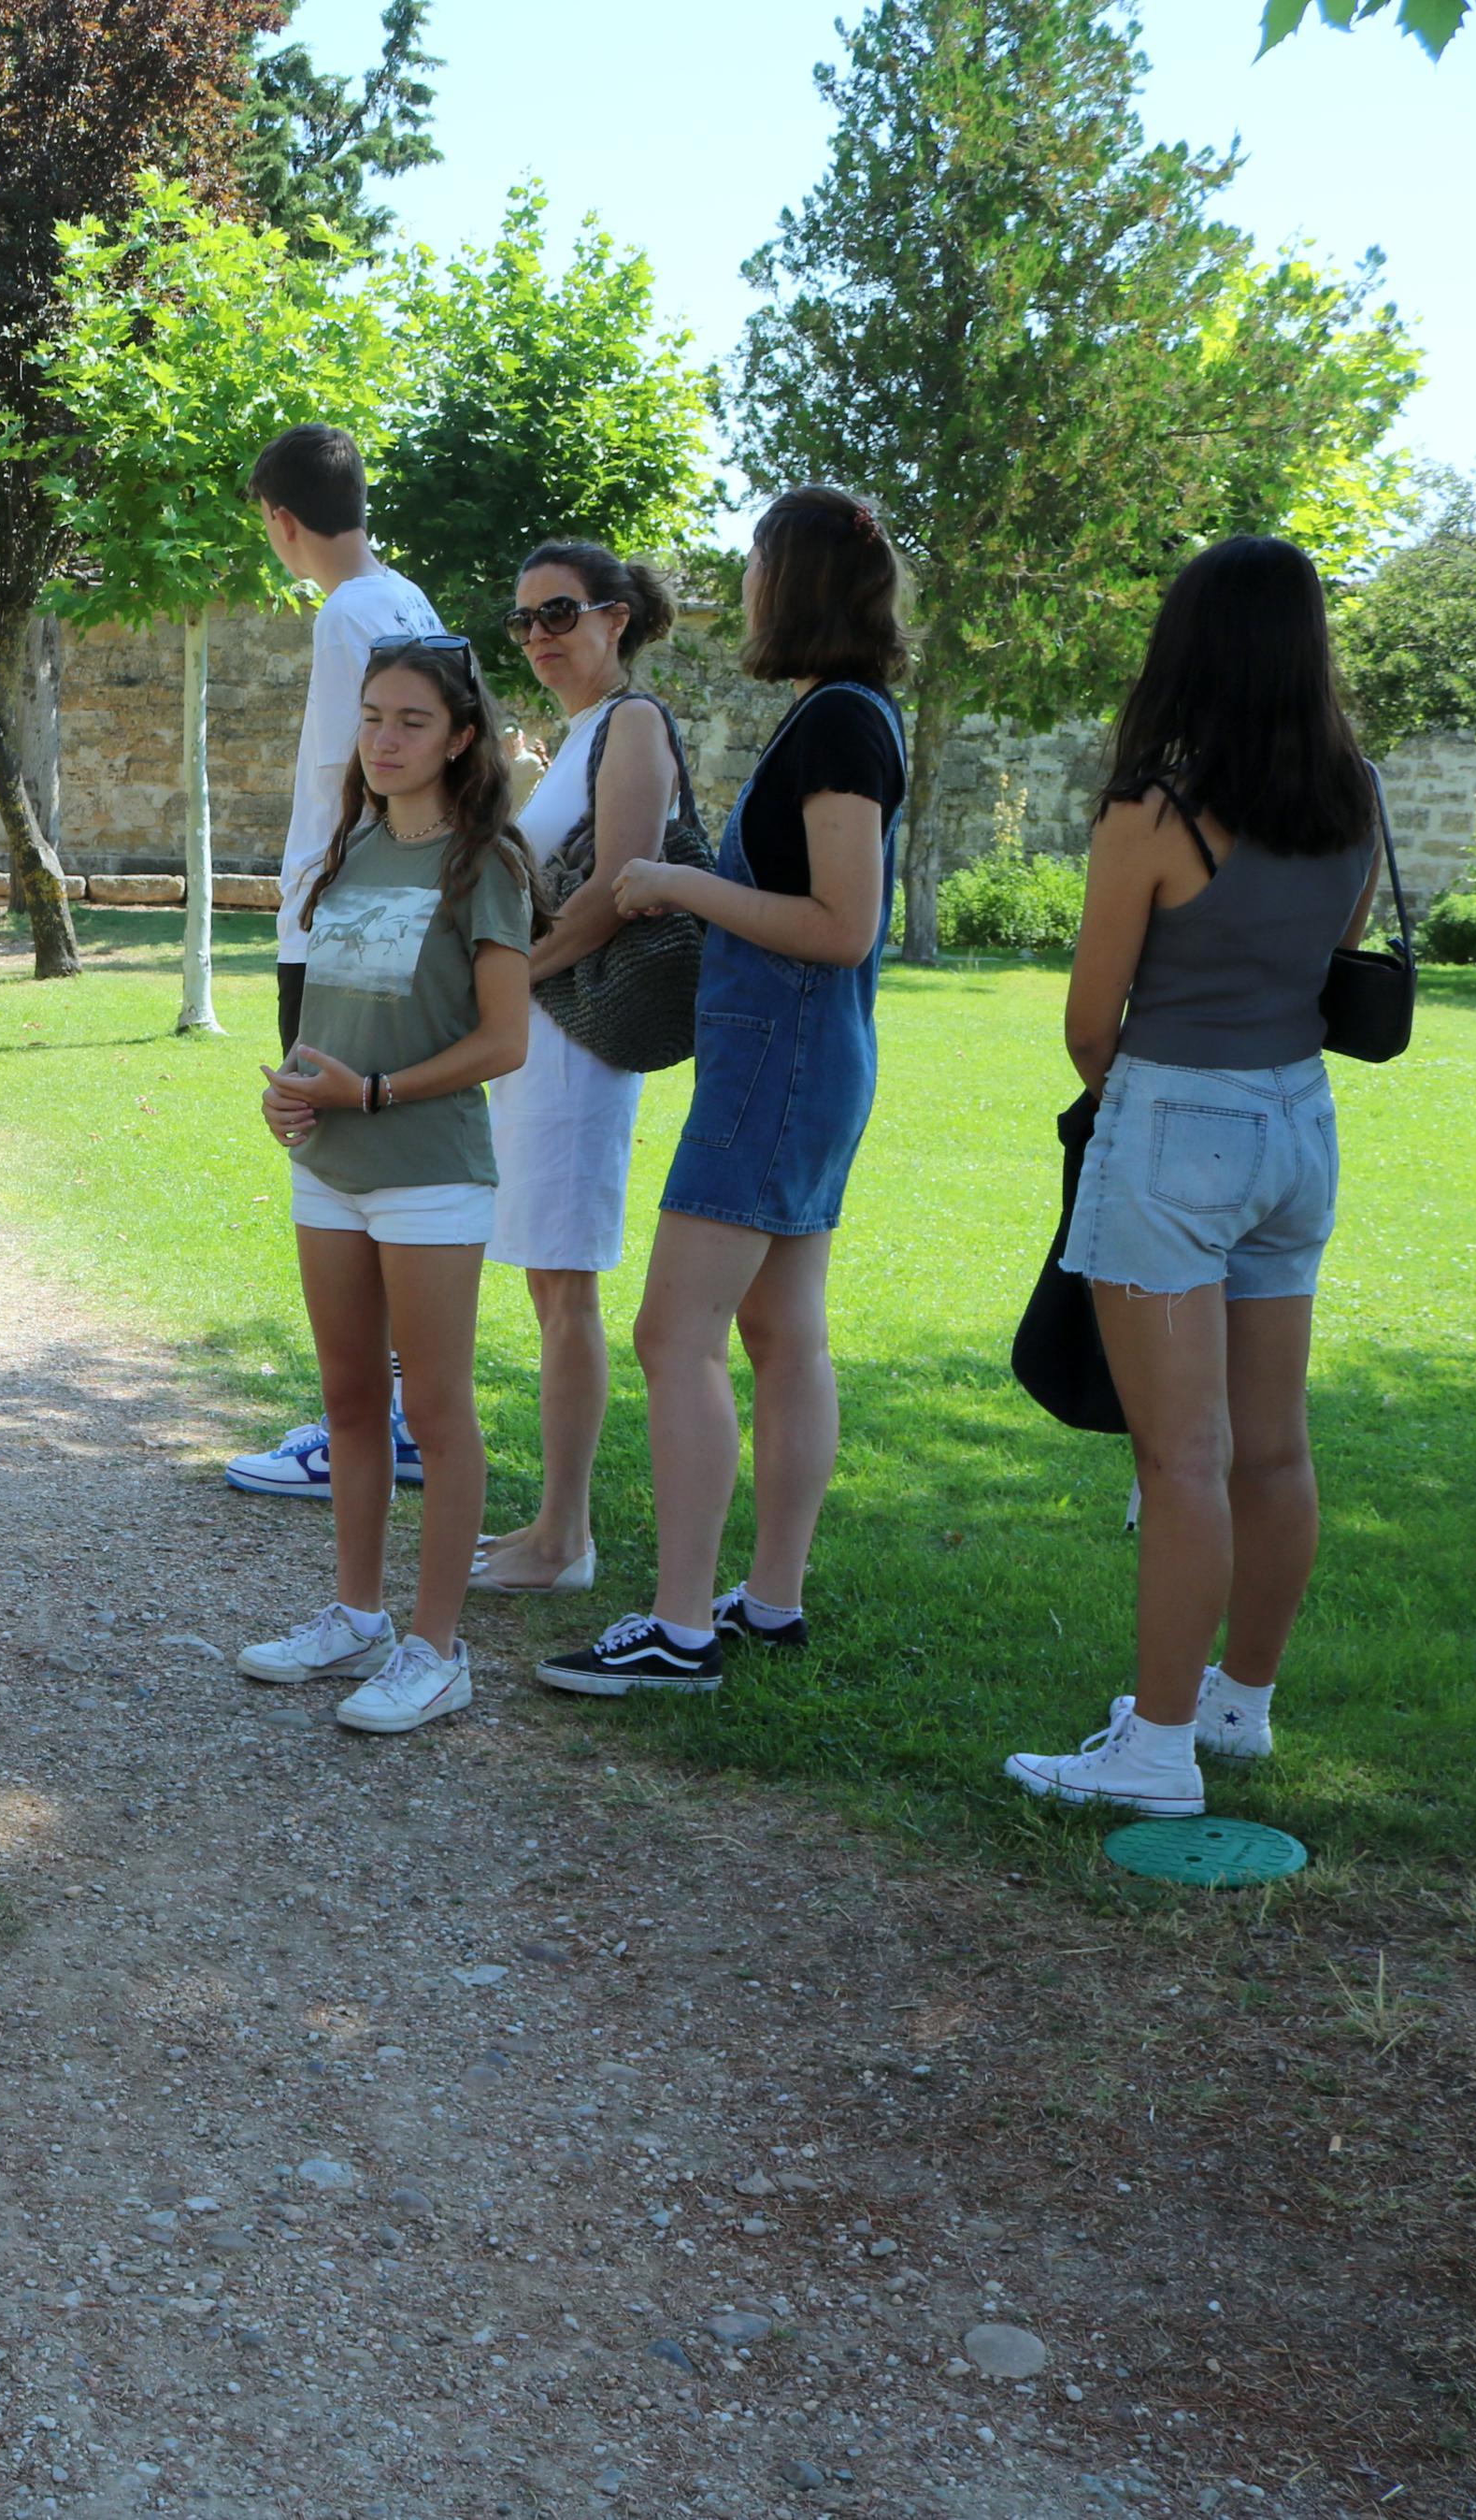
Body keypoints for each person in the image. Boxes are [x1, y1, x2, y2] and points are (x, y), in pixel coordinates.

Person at [1004, 539, 1374, 1816]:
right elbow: (1332, 955)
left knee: (1181, 1456)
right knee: (1268, 1447)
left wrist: (1124, 1100)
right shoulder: (1352, 796)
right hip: (1295, 1117)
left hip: (1172, 1115)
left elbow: (1088, 1017)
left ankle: (1154, 1748)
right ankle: (1236, 1703)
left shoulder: (1152, 811)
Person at [538, 487, 908, 1697]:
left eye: (754, 563)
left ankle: (678, 1626)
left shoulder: (837, 726)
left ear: (789, 580)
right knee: (778, 1334)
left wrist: (671, 884)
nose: (742, 584)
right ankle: (769, 1600)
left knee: (669, 1332)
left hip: (776, 1061)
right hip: (803, 1062)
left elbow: (842, 925)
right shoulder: (843, 715)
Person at [236, 639, 534, 1735]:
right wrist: (293, 1094)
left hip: (428, 1174)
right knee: (351, 1404)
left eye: (410, 721)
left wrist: (374, 1090)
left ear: (460, 738)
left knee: (437, 1411)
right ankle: (353, 1614)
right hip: (332, 1169)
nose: (384, 740)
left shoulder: (484, 865)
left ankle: (434, 1648)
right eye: (370, 718)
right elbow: (321, 1029)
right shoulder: (348, 853)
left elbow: (502, 1041)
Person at [225, 425, 448, 1505]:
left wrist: (325, 907)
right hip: (398, 911)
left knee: (333, 1168)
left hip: (336, 920)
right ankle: (390, 1412)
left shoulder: (344, 615)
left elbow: (348, 772)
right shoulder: (408, 598)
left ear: (279, 521)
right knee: (383, 1163)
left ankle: (365, 1423)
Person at [474, 545, 687, 1597]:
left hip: (577, 1036)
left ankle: (564, 1541)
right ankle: (553, 1523)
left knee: (565, 1288)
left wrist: (513, 982)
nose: (537, 635)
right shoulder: (578, 736)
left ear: (614, 617)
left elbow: (620, 888)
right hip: (542, 1036)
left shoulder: (632, 723)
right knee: (548, 1281)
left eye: (556, 612)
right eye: (521, 621)